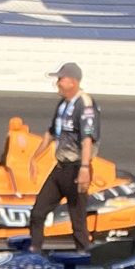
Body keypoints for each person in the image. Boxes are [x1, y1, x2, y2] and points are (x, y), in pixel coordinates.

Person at [27, 61, 100, 252]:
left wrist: (84, 168)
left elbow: (87, 140)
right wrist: (34, 158)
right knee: (38, 212)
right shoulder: (62, 105)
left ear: (72, 81)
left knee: (77, 220)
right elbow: (51, 133)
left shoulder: (85, 105)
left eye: (61, 79)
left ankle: (85, 257)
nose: (57, 83)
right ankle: (35, 251)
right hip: (60, 168)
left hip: (77, 169)